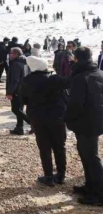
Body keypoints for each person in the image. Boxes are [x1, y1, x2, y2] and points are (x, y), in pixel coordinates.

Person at [19, 55, 69, 186]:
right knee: (59, 146)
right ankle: (61, 175)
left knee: (44, 147)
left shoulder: (27, 80)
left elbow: (22, 100)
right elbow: (69, 86)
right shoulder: (55, 79)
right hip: (57, 117)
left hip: (38, 118)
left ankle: (48, 176)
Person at [66, 47, 103, 205]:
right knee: (86, 154)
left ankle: (99, 194)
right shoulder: (99, 73)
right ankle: (90, 186)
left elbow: (75, 104)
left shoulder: (80, 77)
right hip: (95, 120)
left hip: (86, 122)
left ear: (77, 59)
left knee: (91, 157)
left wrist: (67, 119)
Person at [7, 47, 31, 135]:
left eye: (12, 53)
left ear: (16, 54)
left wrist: (10, 92)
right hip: (24, 89)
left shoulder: (16, 64)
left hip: (17, 90)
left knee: (15, 109)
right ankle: (19, 128)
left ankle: (32, 123)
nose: (10, 54)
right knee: (19, 109)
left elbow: (15, 80)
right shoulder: (25, 62)